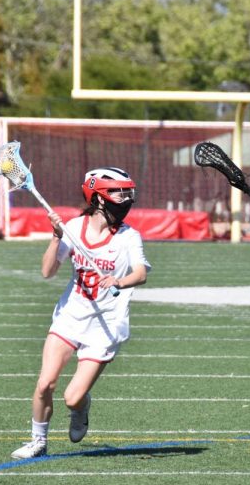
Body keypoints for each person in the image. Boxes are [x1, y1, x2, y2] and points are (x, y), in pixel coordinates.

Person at [11, 167, 150, 459]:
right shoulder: (73, 229)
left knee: (72, 397)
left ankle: (81, 407)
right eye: (118, 192)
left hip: (106, 325)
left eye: (128, 192)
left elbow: (140, 273)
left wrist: (118, 281)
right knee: (45, 382)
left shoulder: (128, 237)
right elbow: (48, 271)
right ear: (98, 197)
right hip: (71, 316)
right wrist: (55, 237)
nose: (125, 198)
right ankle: (38, 441)